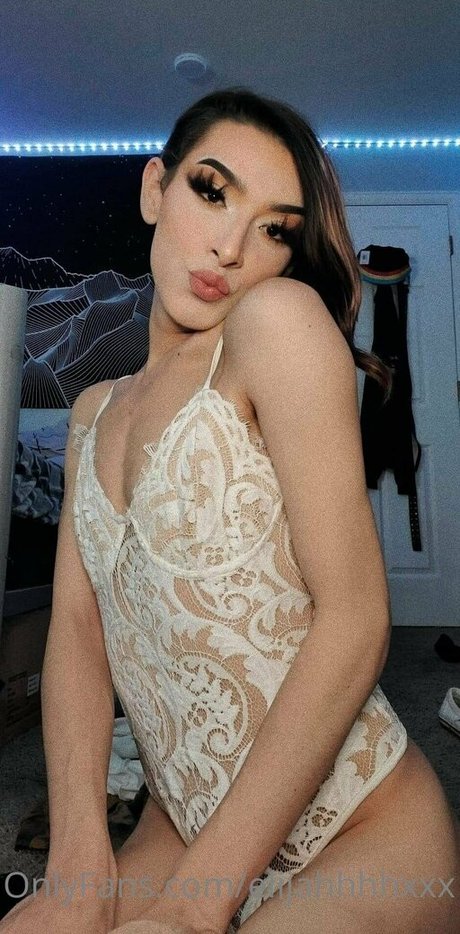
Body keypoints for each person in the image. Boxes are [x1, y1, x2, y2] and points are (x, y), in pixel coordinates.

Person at [2, 88, 459, 934]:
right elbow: (77, 630)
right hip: (184, 829)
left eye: (276, 229)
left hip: (361, 840)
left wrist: (191, 910)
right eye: (212, 191)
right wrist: (76, 865)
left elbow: (357, 617)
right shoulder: (91, 413)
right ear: (155, 189)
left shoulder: (275, 324)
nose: (231, 246)